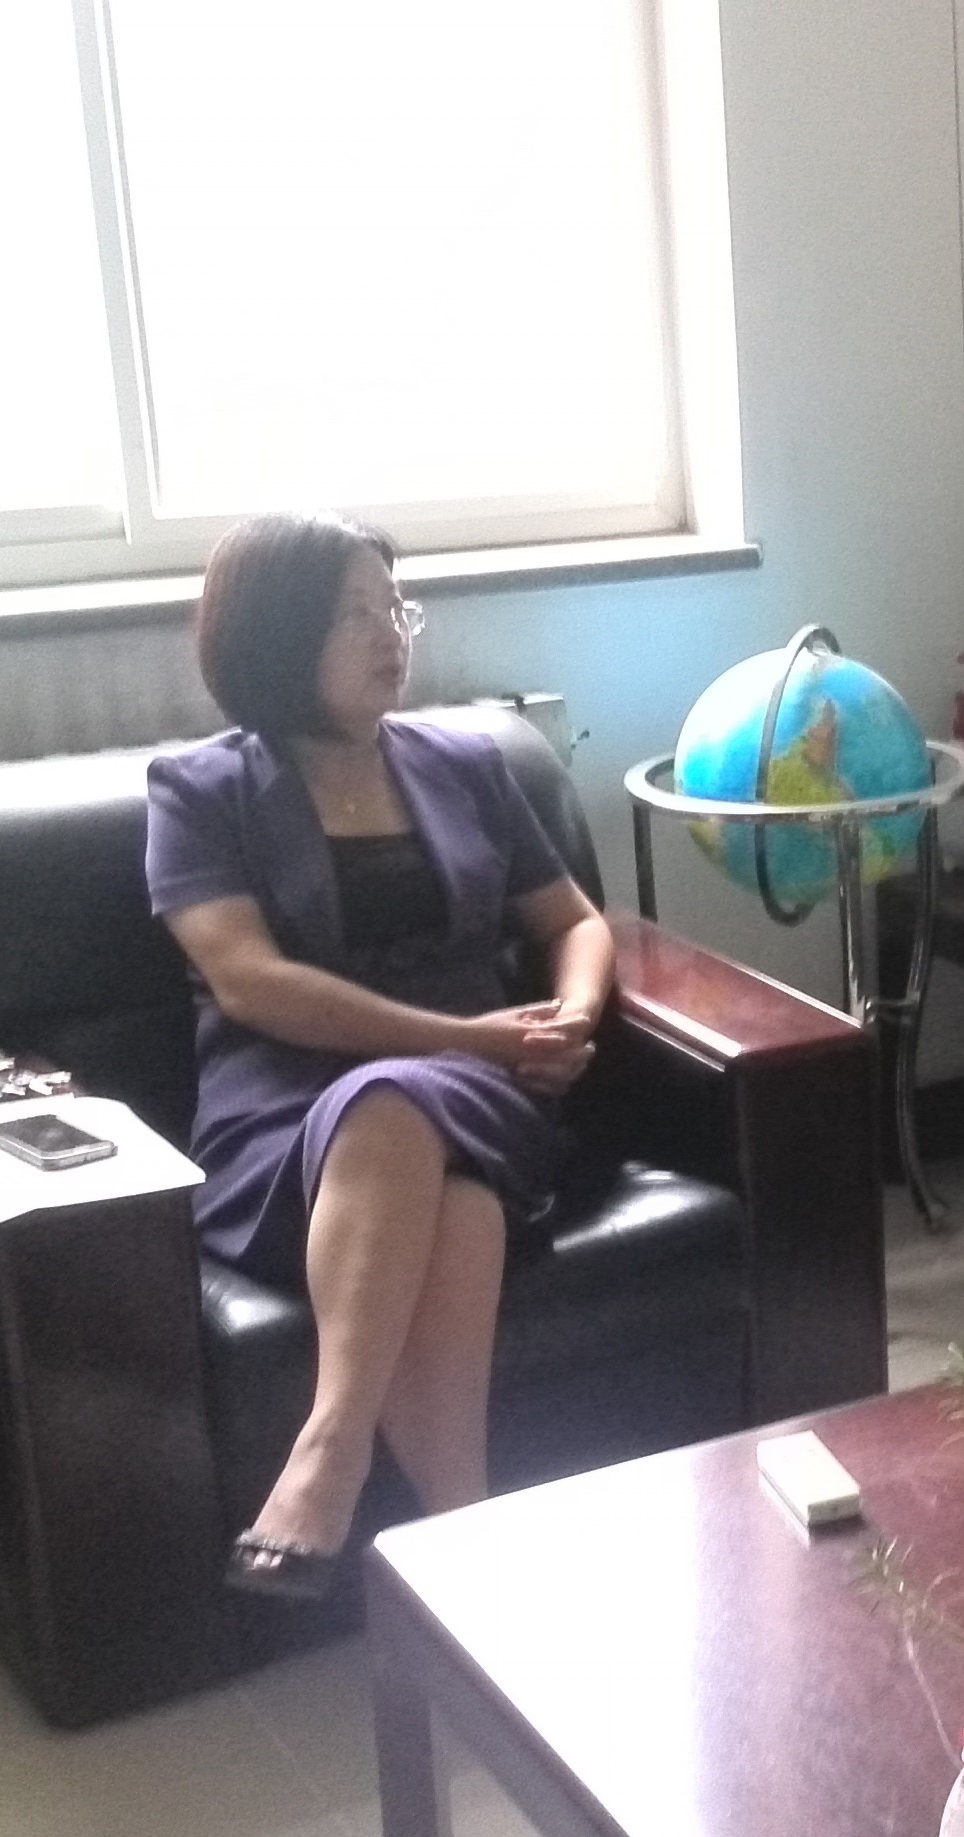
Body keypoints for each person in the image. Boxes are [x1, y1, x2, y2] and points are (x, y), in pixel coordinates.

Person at [145, 513, 612, 1598]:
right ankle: (469, 1560)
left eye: (395, 607)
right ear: (278, 635)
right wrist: (468, 1035)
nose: (389, 633)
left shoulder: (470, 765)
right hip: (280, 1118)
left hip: (482, 1089)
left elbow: (576, 923)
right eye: (354, 613)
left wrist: (572, 1018)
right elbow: (250, 982)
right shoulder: (199, 793)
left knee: (396, 1104)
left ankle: (328, 1455)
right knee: (456, 1205)